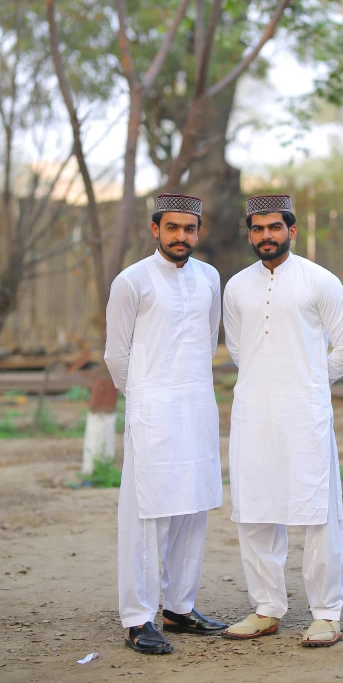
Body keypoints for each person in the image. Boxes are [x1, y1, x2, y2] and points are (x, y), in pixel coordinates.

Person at [221, 194, 343, 648]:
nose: (267, 236)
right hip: (254, 411)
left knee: (317, 510)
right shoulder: (237, 286)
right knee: (256, 508)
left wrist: (307, 382)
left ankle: (326, 613)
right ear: (250, 234)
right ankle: (267, 608)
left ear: (292, 230)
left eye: (275, 227)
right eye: (258, 229)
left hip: (305, 413)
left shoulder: (320, 280)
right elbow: (240, 349)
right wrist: (269, 382)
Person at [105, 193, 227, 655]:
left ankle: (178, 606)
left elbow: (209, 336)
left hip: (196, 406)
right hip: (152, 409)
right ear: (155, 229)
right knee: (148, 515)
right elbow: (117, 354)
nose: (181, 237)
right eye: (172, 228)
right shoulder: (131, 281)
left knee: (192, 509)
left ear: (199, 231)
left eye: (189, 229)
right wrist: (143, 396)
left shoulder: (210, 278)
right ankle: (138, 618)